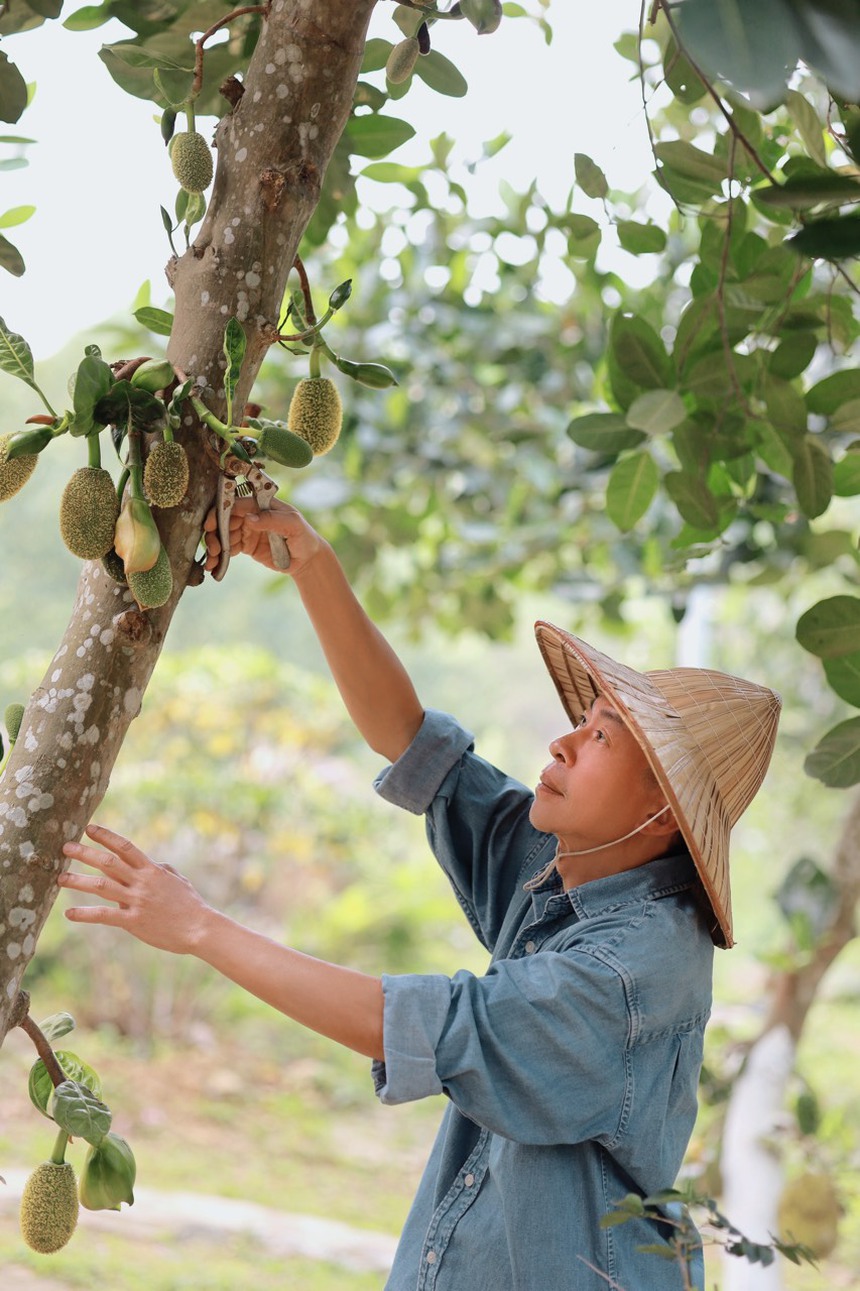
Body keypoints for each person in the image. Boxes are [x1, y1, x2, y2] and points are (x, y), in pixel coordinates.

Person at [58, 499, 781, 1291]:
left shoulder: (630, 969)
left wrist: (197, 926)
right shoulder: (571, 863)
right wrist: (312, 562)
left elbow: (420, 1025)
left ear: (657, 810)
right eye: (586, 719)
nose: (564, 740)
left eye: (603, 736)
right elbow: (413, 741)